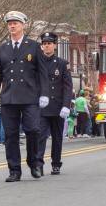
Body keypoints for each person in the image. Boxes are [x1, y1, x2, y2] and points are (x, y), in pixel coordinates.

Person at [0, 11, 50, 182]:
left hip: (30, 97)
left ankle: (34, 161)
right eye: (9, 23)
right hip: (9, 98)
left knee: (33, 130)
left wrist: (44, 93)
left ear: (23, 25)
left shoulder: (33, 47)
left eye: (15, 23)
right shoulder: (2, 48)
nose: (12, 26)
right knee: (11, 136)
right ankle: (14, 170)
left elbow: (42, 72)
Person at [35, 32, 73, 175]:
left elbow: (67, 86)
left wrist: (66, 105)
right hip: (42, 106)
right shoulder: (37, 63)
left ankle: (56, 163)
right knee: (40, 136)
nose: (46, 46)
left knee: (57, 137)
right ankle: (38, 164)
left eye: (49, 43)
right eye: (44, 44)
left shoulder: (62, 64)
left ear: (55, 45)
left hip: (58, 106)